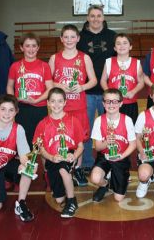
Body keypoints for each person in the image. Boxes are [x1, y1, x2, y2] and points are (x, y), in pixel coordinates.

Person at [49, 24, 97, 186]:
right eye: (66, 37)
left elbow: (94, 81)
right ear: (61, 39)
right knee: (60, 137)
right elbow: (48, 82)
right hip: (59, 108)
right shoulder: (55, 58)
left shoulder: (84, 57)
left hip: (79, 106)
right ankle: (60, 168)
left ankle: (78, 169)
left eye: (72, 37)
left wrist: (82, 87)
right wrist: (59, 85)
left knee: (79, 140)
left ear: (78, 38)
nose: (69, 40)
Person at [0, 94, 35, 222]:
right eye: (3, 109)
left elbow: (24, 154)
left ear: (16, 112)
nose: (7, 113)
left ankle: (21, 203)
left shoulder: (19, 129)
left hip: (8, 164)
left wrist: (25, 163)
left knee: (29, 169)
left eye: (11, 110)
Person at [77, 5, 117, 173]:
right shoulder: (81, 37)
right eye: (92, 16)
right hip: (86, 90)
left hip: (107, 91)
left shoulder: (112, 36)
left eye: (98, 15)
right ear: (87, 17)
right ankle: (86, 162)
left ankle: (108, 160)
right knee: (86, 129)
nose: (95, 19)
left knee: (109, 129)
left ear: (103, 17)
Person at [34, 88, 84, 218]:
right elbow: (40, 148)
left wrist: (74, 155)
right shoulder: (42, 124)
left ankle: (72, 201)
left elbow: (80, 146)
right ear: (48, 103)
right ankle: (68, 182)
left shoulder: (74, 121)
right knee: (59, 199)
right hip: (53, 158)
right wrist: (51, 157)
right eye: (53, 101)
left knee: (63, 169)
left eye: (60, 101)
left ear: (65, 102)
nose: (56, 105)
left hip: (68, 155)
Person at [7, 33, 53, 151]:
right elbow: (9, 86)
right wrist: (14, 101)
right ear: (22, 48)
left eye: (34, 46)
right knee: (23, 141)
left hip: (40, 108)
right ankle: (25, 166)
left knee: (40, 142)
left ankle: (43, 167)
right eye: (27, 46)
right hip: (22, 109)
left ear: (38, 47)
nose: (31, 49)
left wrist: (36, 100)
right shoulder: (15, 66)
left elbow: (50, 88)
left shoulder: (44, 66)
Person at [90, 88, 136, 202]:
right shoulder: (99, 121)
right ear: (103, 104)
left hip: (121, 157)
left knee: (118, 198)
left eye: (115, 101)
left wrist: (122, 156)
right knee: (95, 178)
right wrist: (107, 142)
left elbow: (133, 144)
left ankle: (124, 175)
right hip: (105, 156)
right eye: (108, 101)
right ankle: (105, 184)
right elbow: (98, 147)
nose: (111, 104)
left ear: (121, 103)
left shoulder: (127, 120)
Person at [100, 33, 144, 123]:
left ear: (130, 46)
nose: (121, 46)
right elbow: (103, 81)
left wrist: (133, 92)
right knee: (112, 130)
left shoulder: (137, 63)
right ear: (115, 48)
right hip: (112, 104)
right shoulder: (109, 62)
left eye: (125, 43)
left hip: (130, 103)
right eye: (118, 43)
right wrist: (109, 93)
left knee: (130, 131)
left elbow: (141, 82)